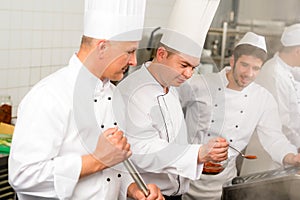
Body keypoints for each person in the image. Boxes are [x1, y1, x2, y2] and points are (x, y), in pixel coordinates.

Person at [8, 0, 163, 199]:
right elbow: (23, 176)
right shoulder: (49, 95)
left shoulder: (114, 96)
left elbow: (112, 168)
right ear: (102, 48)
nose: (134, 61)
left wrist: (132, 188)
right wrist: (97, 159)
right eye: (129, 52)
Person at [116, 0, 229, 199]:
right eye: (183, 65)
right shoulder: (133, 92)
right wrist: (197, 153)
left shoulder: (171, 84)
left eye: (193, 68)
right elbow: (142, 150)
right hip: (146, 195)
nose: (188, 74)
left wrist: (199, 157)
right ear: (161, 54)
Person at [178, 32, 300, 200]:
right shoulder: (199, 84)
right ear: (233, 61)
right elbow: (168, 114)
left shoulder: (262, 98)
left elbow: (274, 137)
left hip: (224, 183)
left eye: (256, 68)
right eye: (244, 65)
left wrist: (291, 156)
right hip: (186, 178)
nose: (249, 73)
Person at [255, 23, 300, 148]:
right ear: (297, 51)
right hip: (272, 151)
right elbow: (282, 123)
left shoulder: (289, 70)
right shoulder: (274, 74)